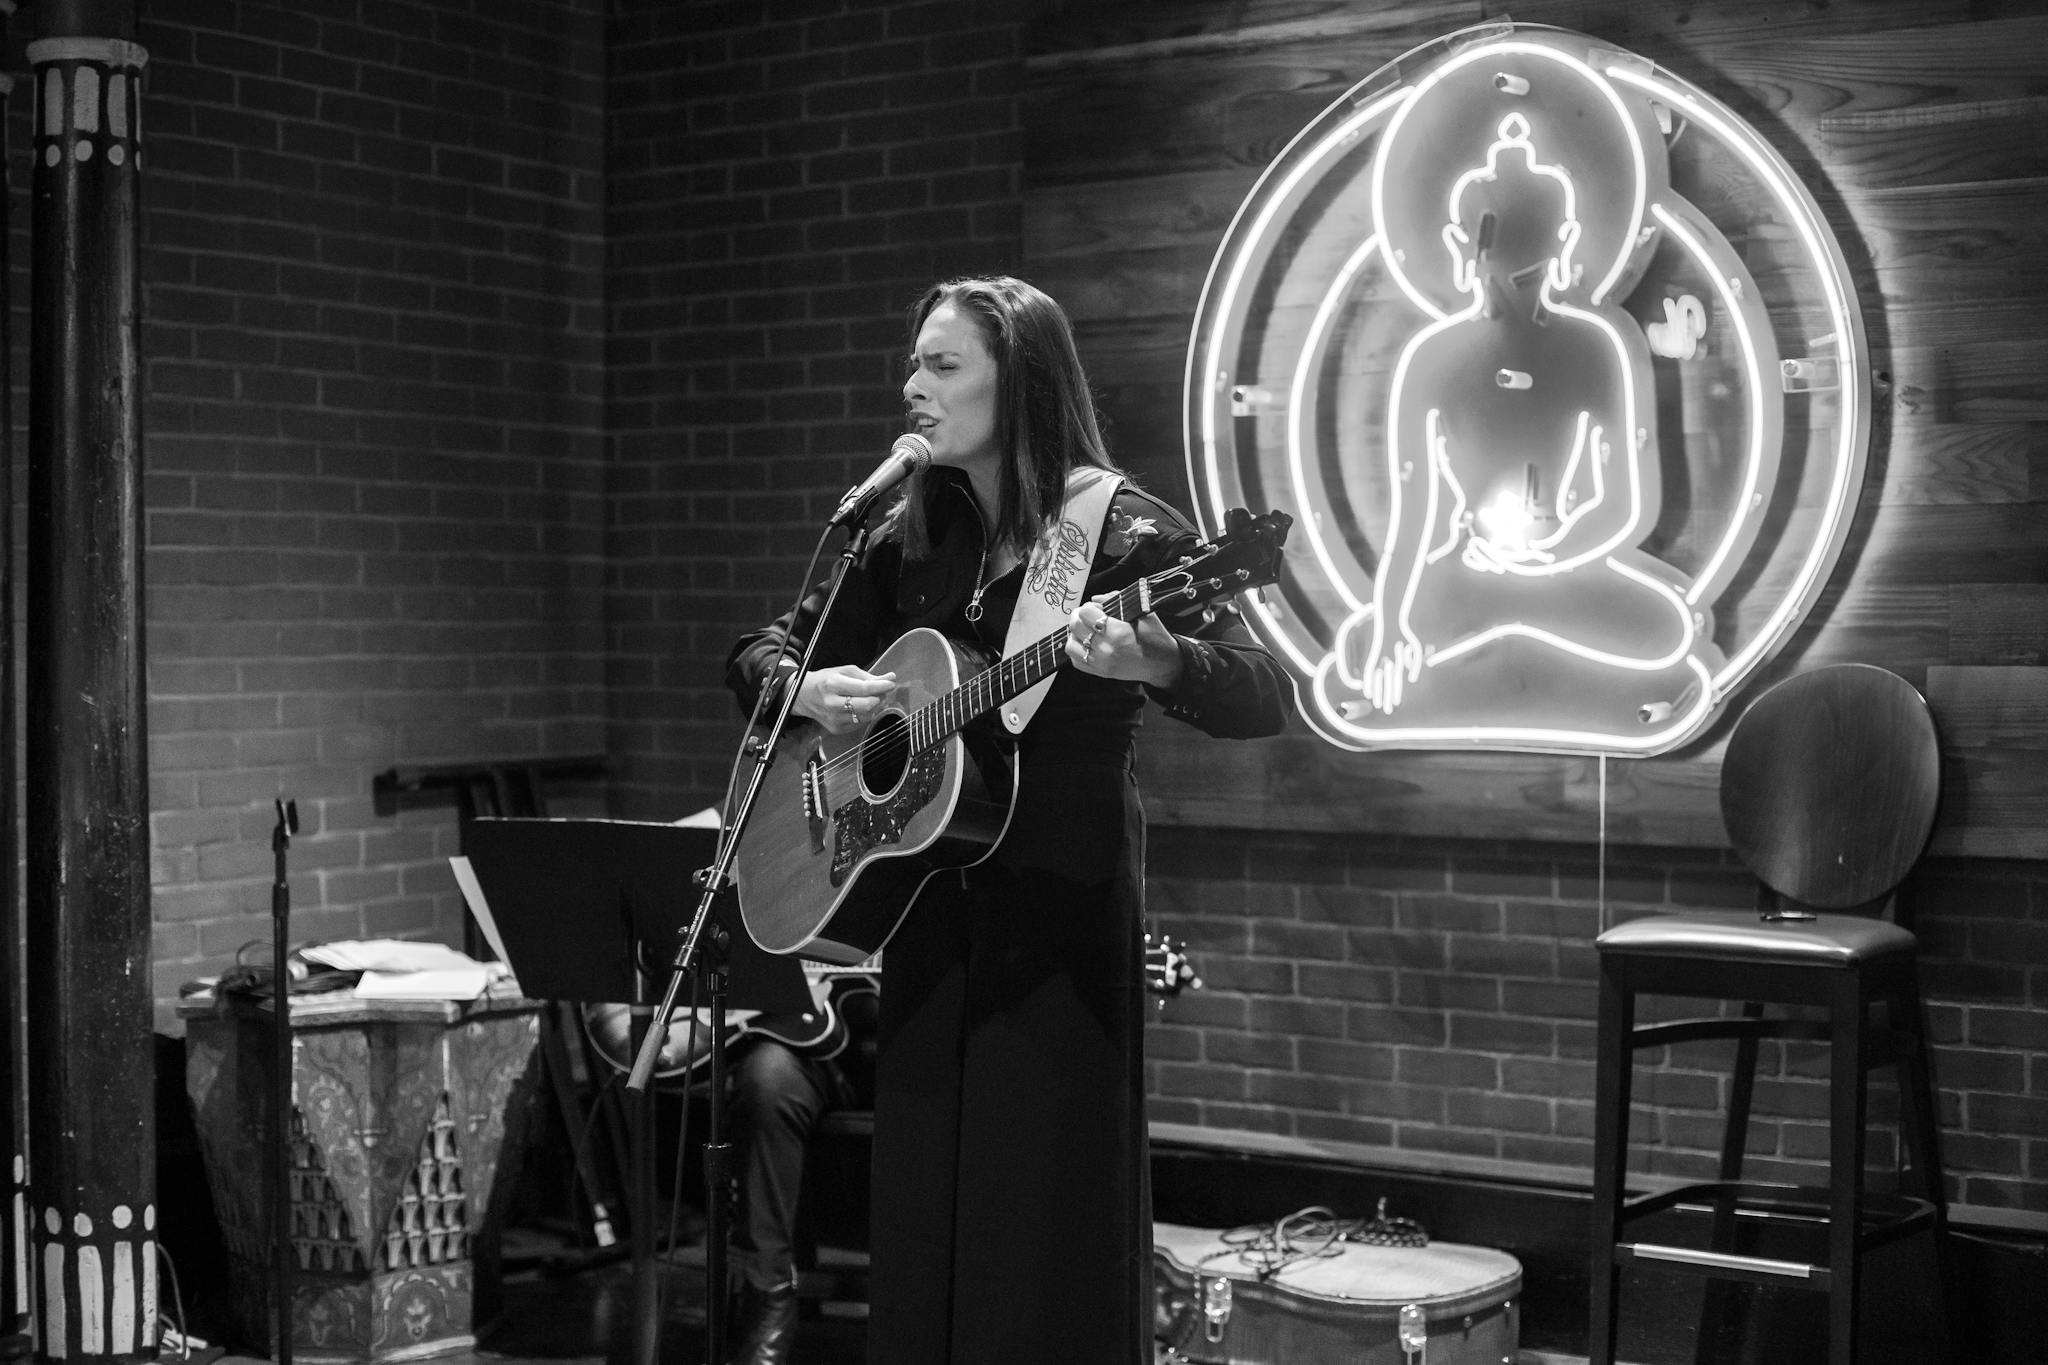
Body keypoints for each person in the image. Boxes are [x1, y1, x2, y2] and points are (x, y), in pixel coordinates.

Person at [724, 275, 1290, 1364]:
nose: (911, 388)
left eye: (941, 367)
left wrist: (1161, 654)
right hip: (931, 917)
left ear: (1016, 381)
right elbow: (760, 651)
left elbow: (1265, 695)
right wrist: (803, 690)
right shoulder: (904, 536)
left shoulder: (1117, 531)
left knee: (1041, 1225)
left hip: (1060, 918)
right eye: (913, 363)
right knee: (929, 1209)